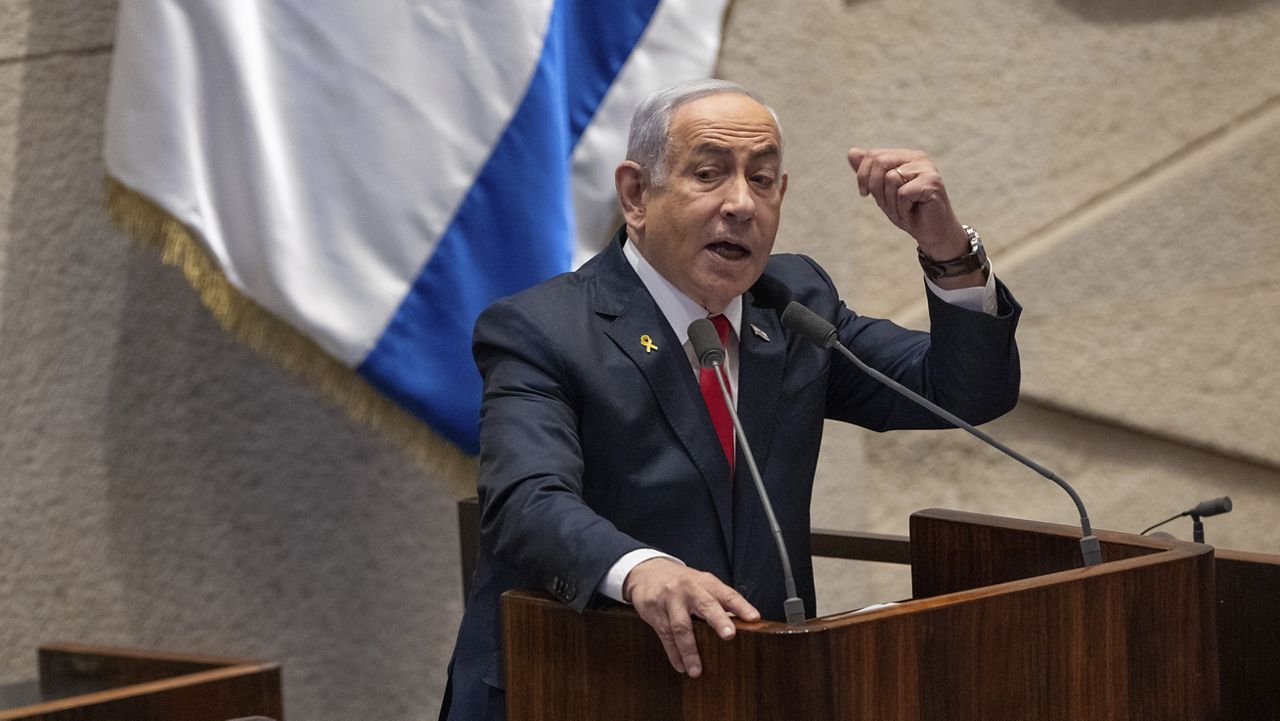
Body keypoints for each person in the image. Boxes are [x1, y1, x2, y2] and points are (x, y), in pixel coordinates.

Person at [440, 79, 1021, 720]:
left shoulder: (794, 304)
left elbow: (963, 393)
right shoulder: (542, 328)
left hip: (753, 685)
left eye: (764, 179)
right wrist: (639, 569)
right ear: (636, 194)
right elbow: (525, 500)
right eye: (710, 174)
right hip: (574, 682)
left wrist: (948, 253)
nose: (742, 204)